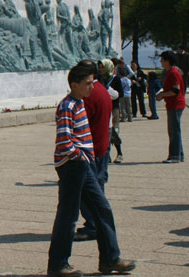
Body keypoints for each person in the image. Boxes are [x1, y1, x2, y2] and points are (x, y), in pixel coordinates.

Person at [46, 64, 135, 277]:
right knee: (68, 216)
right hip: (73, 167)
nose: (91, 87)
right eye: (87, 84)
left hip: (82, 166)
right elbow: (64, 140)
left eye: (92, 83)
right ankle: (58, 264)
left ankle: (110, 259)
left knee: (102, 208)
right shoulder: (68, 106)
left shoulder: (79, 103)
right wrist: (79, 156)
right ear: (74, 85)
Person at [73, 60, 113, 243]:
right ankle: (98, 224)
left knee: (89, 191)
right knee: (97, 188)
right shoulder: (102, 90)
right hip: (101, 146)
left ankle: (93, 226)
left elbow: (81, 124)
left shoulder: (89, 95)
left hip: (91, 150)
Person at [156, 50, 186, 163]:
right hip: (174, 104)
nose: (161, 62)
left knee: (174, 131)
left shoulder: (173, 72)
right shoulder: (171, 72)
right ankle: (180, 154)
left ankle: (174, 156)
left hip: (175, 105)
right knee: (175, 130)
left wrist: (162, 95)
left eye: (162, 60)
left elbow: (175, 90)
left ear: (168, 61)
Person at [99, 59, 124, 163]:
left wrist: (109, 93)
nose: (101, 69)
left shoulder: (115, 79)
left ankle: (119, 153)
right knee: (105, 132)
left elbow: (120, 94)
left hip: (114, 108)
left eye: (103, 67)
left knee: (114, 131)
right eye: (100, 67)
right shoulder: (100, 78)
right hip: (104, 108)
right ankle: (107, 154)